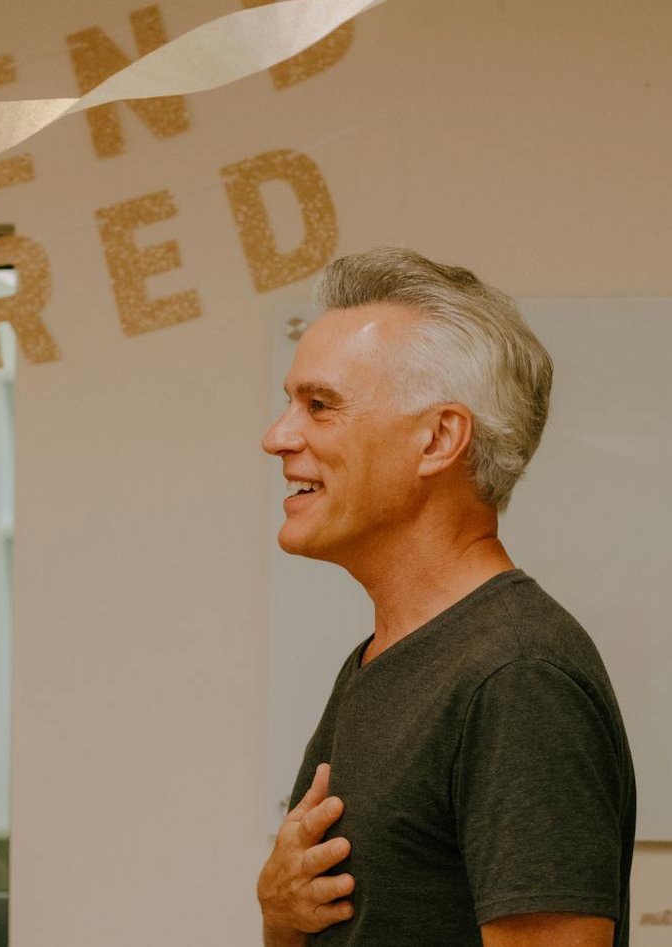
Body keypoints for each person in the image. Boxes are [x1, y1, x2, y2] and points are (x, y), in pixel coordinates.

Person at [257, 248, 636, 946]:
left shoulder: (517, 677)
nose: (277, 436)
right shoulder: (381, 659)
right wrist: (280, 918)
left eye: (319, 405)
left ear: (438, 438)